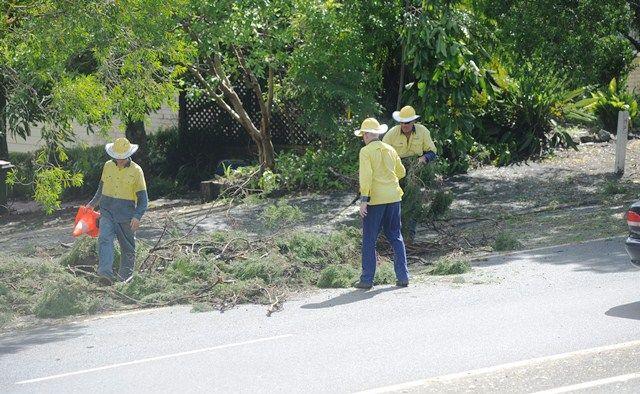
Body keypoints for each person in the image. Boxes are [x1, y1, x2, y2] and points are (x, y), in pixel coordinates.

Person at [354, 117, 409, 290]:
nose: (363, 137)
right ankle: (403, 277)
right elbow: (401, 172)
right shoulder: (390, 149)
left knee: (369, 239)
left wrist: (364, 200)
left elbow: (366, 177)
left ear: (370, 134)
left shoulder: (366, 151)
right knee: (395, 236)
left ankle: (367, 279)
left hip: (375, 200)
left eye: (364, 134)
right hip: (394, 197)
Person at [87, 137, 148, 285]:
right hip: (107, 212)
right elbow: (101, 189)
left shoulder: (137, 171)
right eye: (116, 158)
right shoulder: (107, 166)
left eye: (122, 158)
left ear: (128, 155)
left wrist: (137, 216)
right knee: (104, 240)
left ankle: (124, 280)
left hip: (126, 217)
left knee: (127, 248)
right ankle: (105, 274)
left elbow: (143, 199)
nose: (119, 161)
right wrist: (91, 205)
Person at [382, 105, 437, 242]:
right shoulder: (391, 134)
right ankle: (392, 235)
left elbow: (432, 152)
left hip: (414, 171)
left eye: (407, 122)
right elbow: (382, 154)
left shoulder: (423, 132)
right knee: (393, 204)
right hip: (395, 171)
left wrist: (424, 158)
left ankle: (409, 236)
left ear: (413, 122)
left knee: (413, 202)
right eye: (401, 122)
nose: (404, 125)